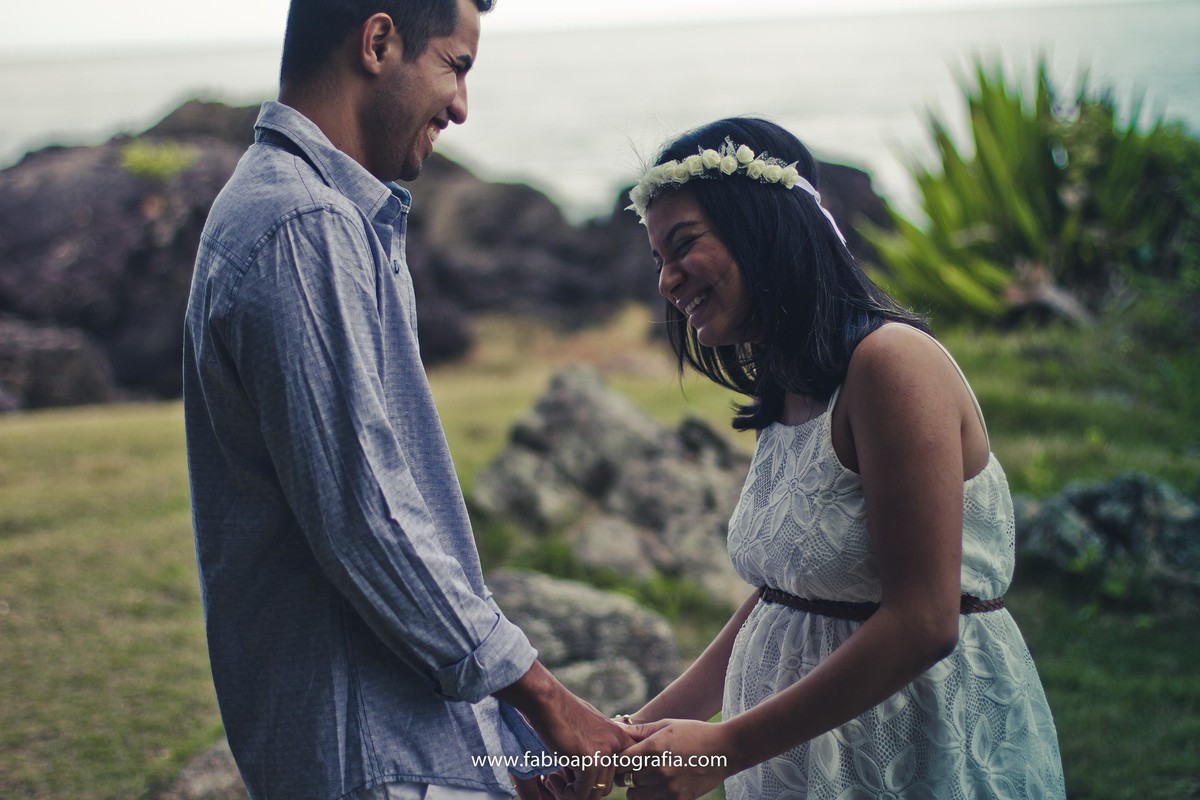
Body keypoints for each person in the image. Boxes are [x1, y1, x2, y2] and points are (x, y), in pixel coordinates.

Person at [182, 2, 631, 799]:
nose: (461, 105)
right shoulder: (303, 224)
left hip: (392, 739)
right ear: (379, 42)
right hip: (369, 755)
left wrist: (502, 746)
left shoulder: (323, 215)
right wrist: (548, 705)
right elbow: (371, 521)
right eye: (456, 66)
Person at [607, 117, 1066, 799]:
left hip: (911, 749)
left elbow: (923, 621)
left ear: (762, 226)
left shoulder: (891, 365)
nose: (668, 281)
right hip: (799, 759)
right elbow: (785, 598)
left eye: (683, 246)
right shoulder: (792, 384)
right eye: (657, 260)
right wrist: (627, 740)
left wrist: (726, 746)